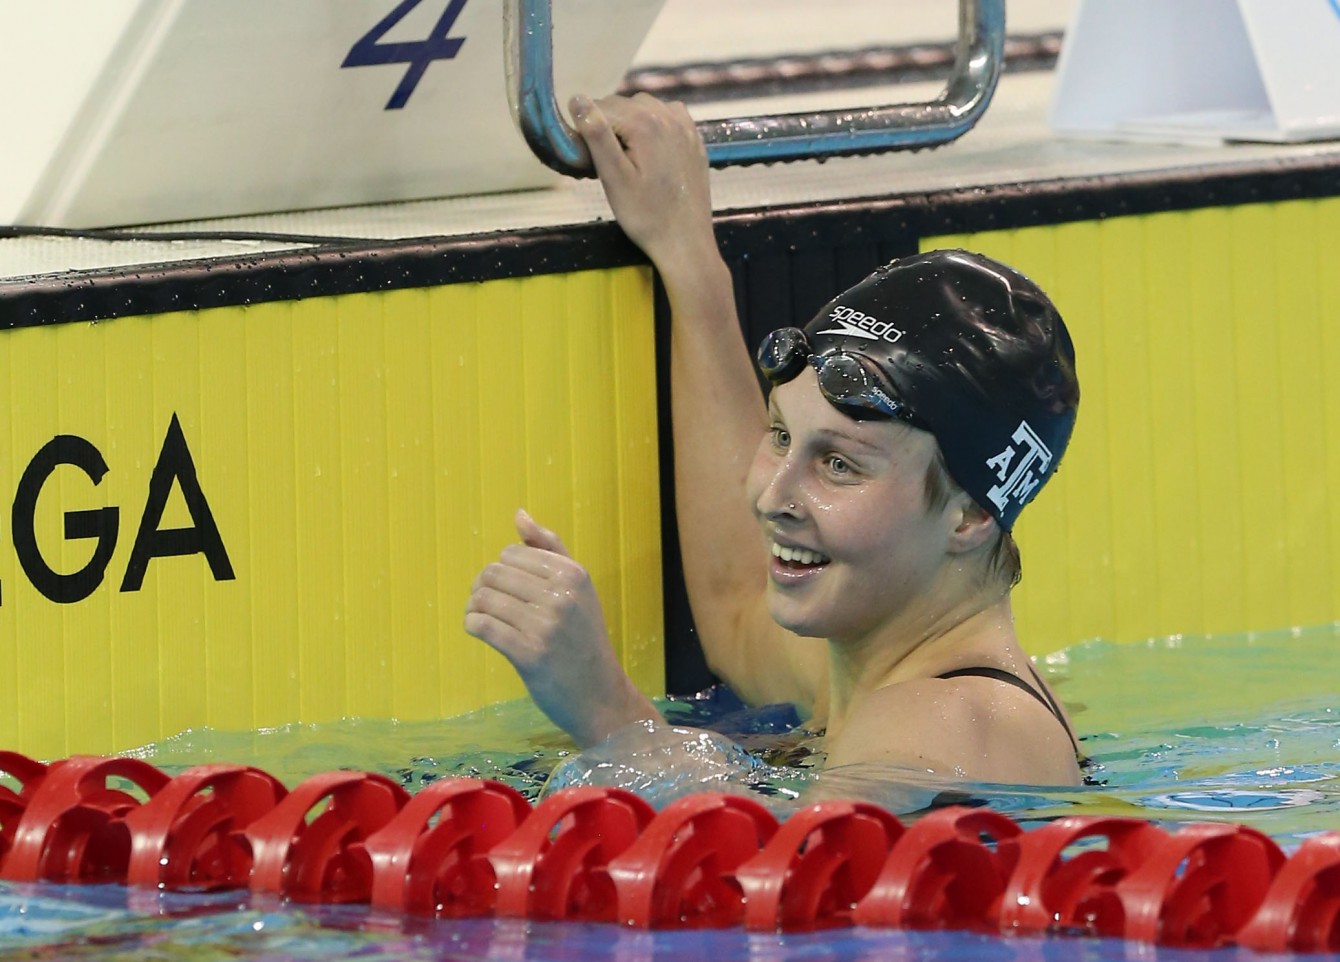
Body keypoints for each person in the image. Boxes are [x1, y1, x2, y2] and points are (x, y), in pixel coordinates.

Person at [464, 93, 1083, 787]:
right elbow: (735, 604)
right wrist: (686, 252)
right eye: (782, 434)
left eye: (840, 465)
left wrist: (603, 708)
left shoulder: (943, 730)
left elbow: (774, 883)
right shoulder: (868, 659)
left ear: (970, 513)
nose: (773, 496)